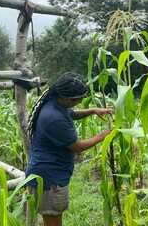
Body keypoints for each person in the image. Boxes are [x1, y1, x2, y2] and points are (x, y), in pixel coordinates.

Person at [25, 72, 113, 226]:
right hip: (48, 179)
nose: (81, 101)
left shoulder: (56, 103)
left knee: (52, 218)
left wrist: (93, 110)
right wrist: (103, 136)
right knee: (53, 221)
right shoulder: (54, 119)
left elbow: (71, 114)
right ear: (66, 98)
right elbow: (77, 147)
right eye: (79, 98)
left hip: (48, 174)